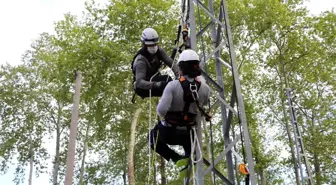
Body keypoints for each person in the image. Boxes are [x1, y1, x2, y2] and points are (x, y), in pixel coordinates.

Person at [149, 49, 211, 177]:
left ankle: (176, 158)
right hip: (188, 133)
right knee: (189, 141)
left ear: (181, 67)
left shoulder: (172, 86)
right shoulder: (205, 88)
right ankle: (189, 155)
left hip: (169, 133)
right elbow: (204, 105)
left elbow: (161, 111)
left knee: (152, 137)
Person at [131, 28, 179, 101]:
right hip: (142, 87)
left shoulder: (159, 51)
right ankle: (169, 107)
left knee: (169, 81)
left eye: (155, 44)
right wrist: (156, 85)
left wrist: (178, 74)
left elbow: (170, 62)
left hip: (153, 79)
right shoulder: (141, 60)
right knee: (167, 84)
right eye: (151, 45)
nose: (153, 47)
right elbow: (139, 82)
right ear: (144, 44)